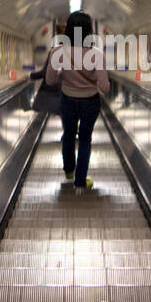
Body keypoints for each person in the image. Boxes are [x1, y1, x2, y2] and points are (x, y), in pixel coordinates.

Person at [44, 10, 109, 193]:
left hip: (67, 100)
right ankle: (80, 182)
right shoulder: (96, 54)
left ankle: (69, 171)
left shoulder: (58, 52)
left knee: (69, 135)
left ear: (68, 30)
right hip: (90, 102)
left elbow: (50, 81)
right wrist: (95, 77)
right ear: (89, 32)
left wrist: (64, 74)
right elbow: (105, 88)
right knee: (86, 139)